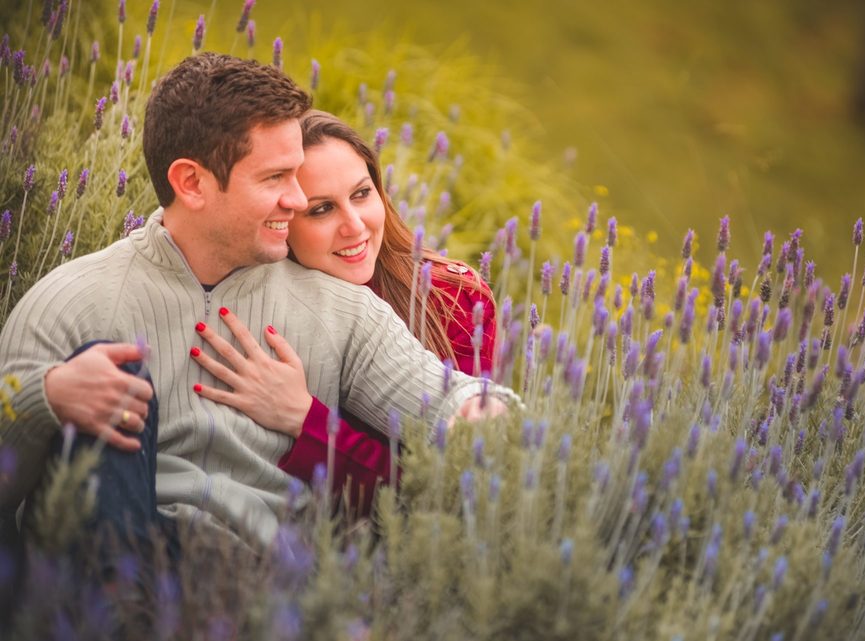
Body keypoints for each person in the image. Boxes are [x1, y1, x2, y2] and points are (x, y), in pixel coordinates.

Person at [0, 53, 515, 560]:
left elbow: (451, 399)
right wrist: (45, 397)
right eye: (275, 179)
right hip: (107, 583)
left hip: (262, 595)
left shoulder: (345, 313)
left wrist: (479, 416)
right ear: (192, 183)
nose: (295, 199)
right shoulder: (71, 301)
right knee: (109, 374)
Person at [190, 111, 496, 512]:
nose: (355, 226)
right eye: (321, 210)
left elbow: (457, 489)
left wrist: (305, 419)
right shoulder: (254, 310)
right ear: (280, 220)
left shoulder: (453, 299)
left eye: (361, 194)